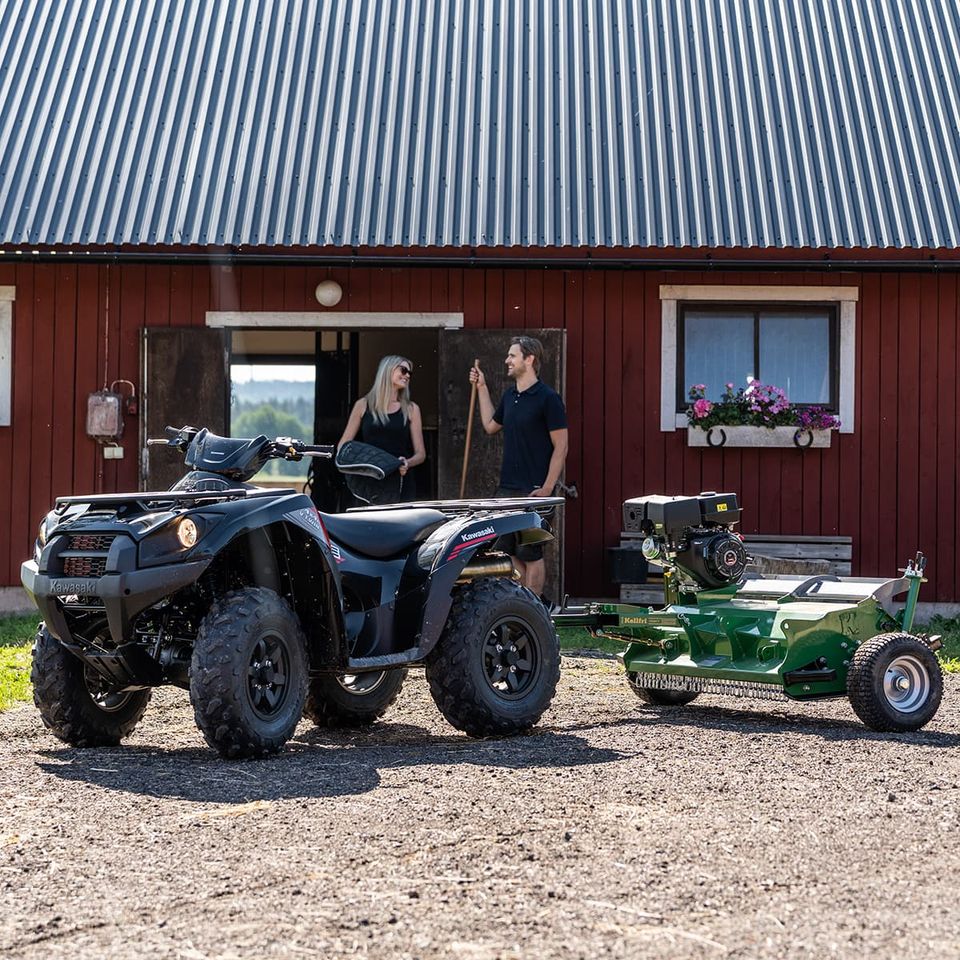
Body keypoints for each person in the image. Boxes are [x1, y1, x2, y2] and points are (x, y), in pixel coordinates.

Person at [469, 336, 568, 596]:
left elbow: (562, 446)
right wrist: (481, 387)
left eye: (512, 356)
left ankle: (533, 613)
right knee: (501, 552)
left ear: (529, 359)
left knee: (531, 553)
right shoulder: (510, 396)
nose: (507, 360)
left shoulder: (548, 398)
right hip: (507, 491)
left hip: (534, 491)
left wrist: (547, 488)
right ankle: (526, 607)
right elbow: (491, 425)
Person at [338, 355, 426, 502]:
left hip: (399, 477)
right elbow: (344, 445)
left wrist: (407, 463)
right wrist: (355, 465)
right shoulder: (363, 405)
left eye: (410, 373)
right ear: (388, 370)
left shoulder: (411, 409)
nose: (407, 375)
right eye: (403, 370)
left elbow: (421, 454)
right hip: (368, 477)